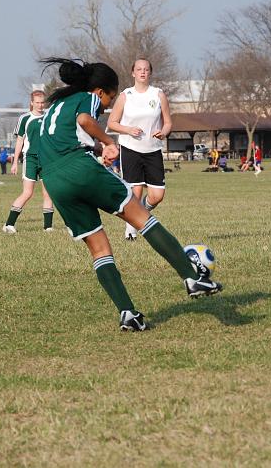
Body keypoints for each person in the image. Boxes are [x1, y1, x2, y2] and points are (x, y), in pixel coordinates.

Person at [37, 57, 222, 332]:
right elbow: (86, 120)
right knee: (142, 218)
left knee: (99, 250)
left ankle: (128, 313)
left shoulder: (54, 109)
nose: (108, 105)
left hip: (54, 181)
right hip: (79, 168)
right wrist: (108, 141)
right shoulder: (86, 97)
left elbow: (65, 139)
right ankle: (191, 276)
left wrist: (99, 150)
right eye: (109, 99)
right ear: (99, 91)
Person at [107, 58, 172, 240]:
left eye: (146, 69)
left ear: (150, 72)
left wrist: (164, 132)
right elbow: (112, 123)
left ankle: (140, 212)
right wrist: (128, 129)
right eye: (139, 69)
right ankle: (131, 228)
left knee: (157, 195)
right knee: (135, 191)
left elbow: (168, 122)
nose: (143, 72)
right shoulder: (126, 95)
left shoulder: (158, 95)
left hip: (153, 149)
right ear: (133, 73)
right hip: (130, 148)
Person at [3, 90, 55, 233]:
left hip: (47, 160)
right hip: (30, 158)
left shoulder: (49, 117)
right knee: (27, 193)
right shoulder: (25, 118)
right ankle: (9, 224)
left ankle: (48, 227)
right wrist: (14, 162)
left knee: (48, 193)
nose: (40, 105)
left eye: (42, 102)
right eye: (37, 102)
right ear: (32, 103)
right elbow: (20, 140)